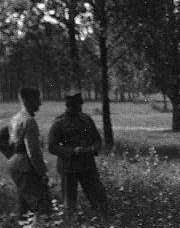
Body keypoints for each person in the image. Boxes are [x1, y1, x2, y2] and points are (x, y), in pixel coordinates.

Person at [47, 90, 109, 214]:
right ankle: (71, 222)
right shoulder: (59, 123)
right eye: (74, 106)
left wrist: (93, 148)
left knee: (99, 196)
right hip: (68, 167)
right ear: (68, 106)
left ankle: (101, 219)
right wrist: (72, 151)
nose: (78, 108)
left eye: (79, 105)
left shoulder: (86, 119)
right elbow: (52, 147)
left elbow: (97, 139)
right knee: (69, 202)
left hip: (87, 165)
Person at [7, 87, 52, 217]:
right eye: (38, 100)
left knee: (23, 207)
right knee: (42, 206)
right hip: (26, 167)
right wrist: (42, 173)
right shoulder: (29, 121)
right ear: (28, 100)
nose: (40, 103)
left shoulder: (16, 118)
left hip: (16, 165)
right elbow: (33, 151)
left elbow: (9, 142)